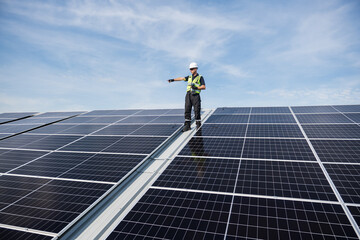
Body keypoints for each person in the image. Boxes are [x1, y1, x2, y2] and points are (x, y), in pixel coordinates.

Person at [167, 62, 206, 131]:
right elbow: (181, 78)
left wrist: (196, 87)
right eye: (190, 69)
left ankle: (198, 124)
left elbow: (204, 87)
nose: (190, 70)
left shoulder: (200, 77)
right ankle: (187, 125)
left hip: (195, 95)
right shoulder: (189, 77)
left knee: (197, 110)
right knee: (187, 109)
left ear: (196, 69)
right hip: (188, 95)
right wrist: (173, 80)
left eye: (192, 69)